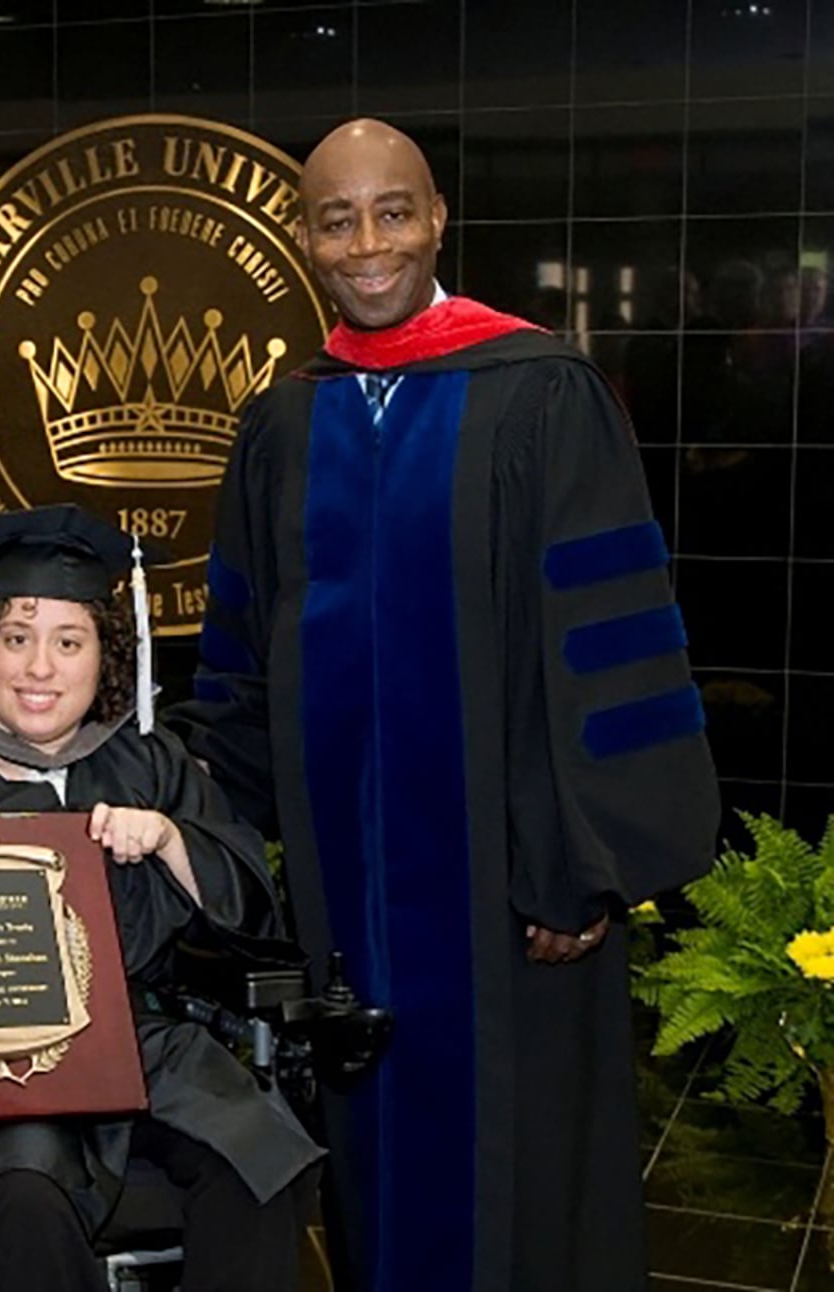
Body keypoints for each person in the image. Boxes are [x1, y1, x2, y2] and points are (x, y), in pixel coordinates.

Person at [170, 119, 720, 1292]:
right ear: (305, 239)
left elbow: (607, 642)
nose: (367, 243)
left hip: (509, 880)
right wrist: (211, 834)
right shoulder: (283, 421)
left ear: (436, 219)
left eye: (391, 211)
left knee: (522, 1168)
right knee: (369, 1157)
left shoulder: (539, 393)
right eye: (336, 219)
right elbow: (241, 654)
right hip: (343, 885)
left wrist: (584, 858)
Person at [0, 504, 323, 1292]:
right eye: (17, 638)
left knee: (260, 1163)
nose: (40, 668)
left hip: (138, 1040)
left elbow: (255, 909)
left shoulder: (147, 765)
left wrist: (171, 839)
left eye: (68, 642)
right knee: (28, 1198)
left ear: (105, 657)